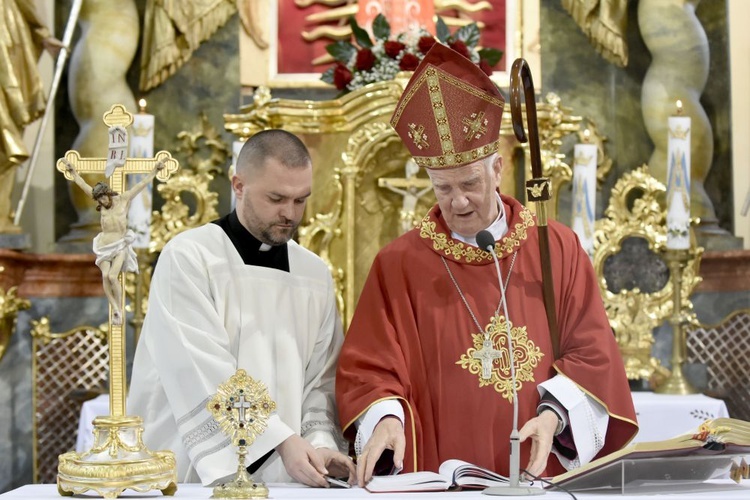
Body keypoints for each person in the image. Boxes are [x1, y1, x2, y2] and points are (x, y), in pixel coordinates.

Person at [335, 43, 638, 487]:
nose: (457, 201)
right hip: (439, 476)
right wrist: (385, 418)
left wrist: (555, 416)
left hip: (538, 469)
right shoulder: (399, 263)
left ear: (497, 169)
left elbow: (593, 352)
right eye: (442, 188)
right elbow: (370, 369)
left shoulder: (555, 247)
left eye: (470, 183)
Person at [128, 129, 355, 487]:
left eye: (300, 200)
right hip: (197, 473)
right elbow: (202, 371)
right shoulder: (191, 257)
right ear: (238, 185)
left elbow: (320, 383)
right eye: (277, 198)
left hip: (289, 474)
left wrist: (318, 445)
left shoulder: (314, 274)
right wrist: (280, 439)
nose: (289, 214)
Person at [64, 159, 164, 325]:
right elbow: (83, 186)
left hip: (119, 246)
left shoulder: (123, 199)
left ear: (107, 193)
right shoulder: (100, 203)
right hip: (103, 245)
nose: (101, 202)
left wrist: (155, 171)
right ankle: (115, 309)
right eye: (99, 200)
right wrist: (74, 173)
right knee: (105, 275)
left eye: (103, 198)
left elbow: (142, 185)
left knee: (112, 276)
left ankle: (119, 306)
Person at [1, 0, 63, 232]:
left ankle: (1, 215)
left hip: (7, 37)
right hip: (5, 36)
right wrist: (42, 31)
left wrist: (41, 32)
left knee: (7, 133)